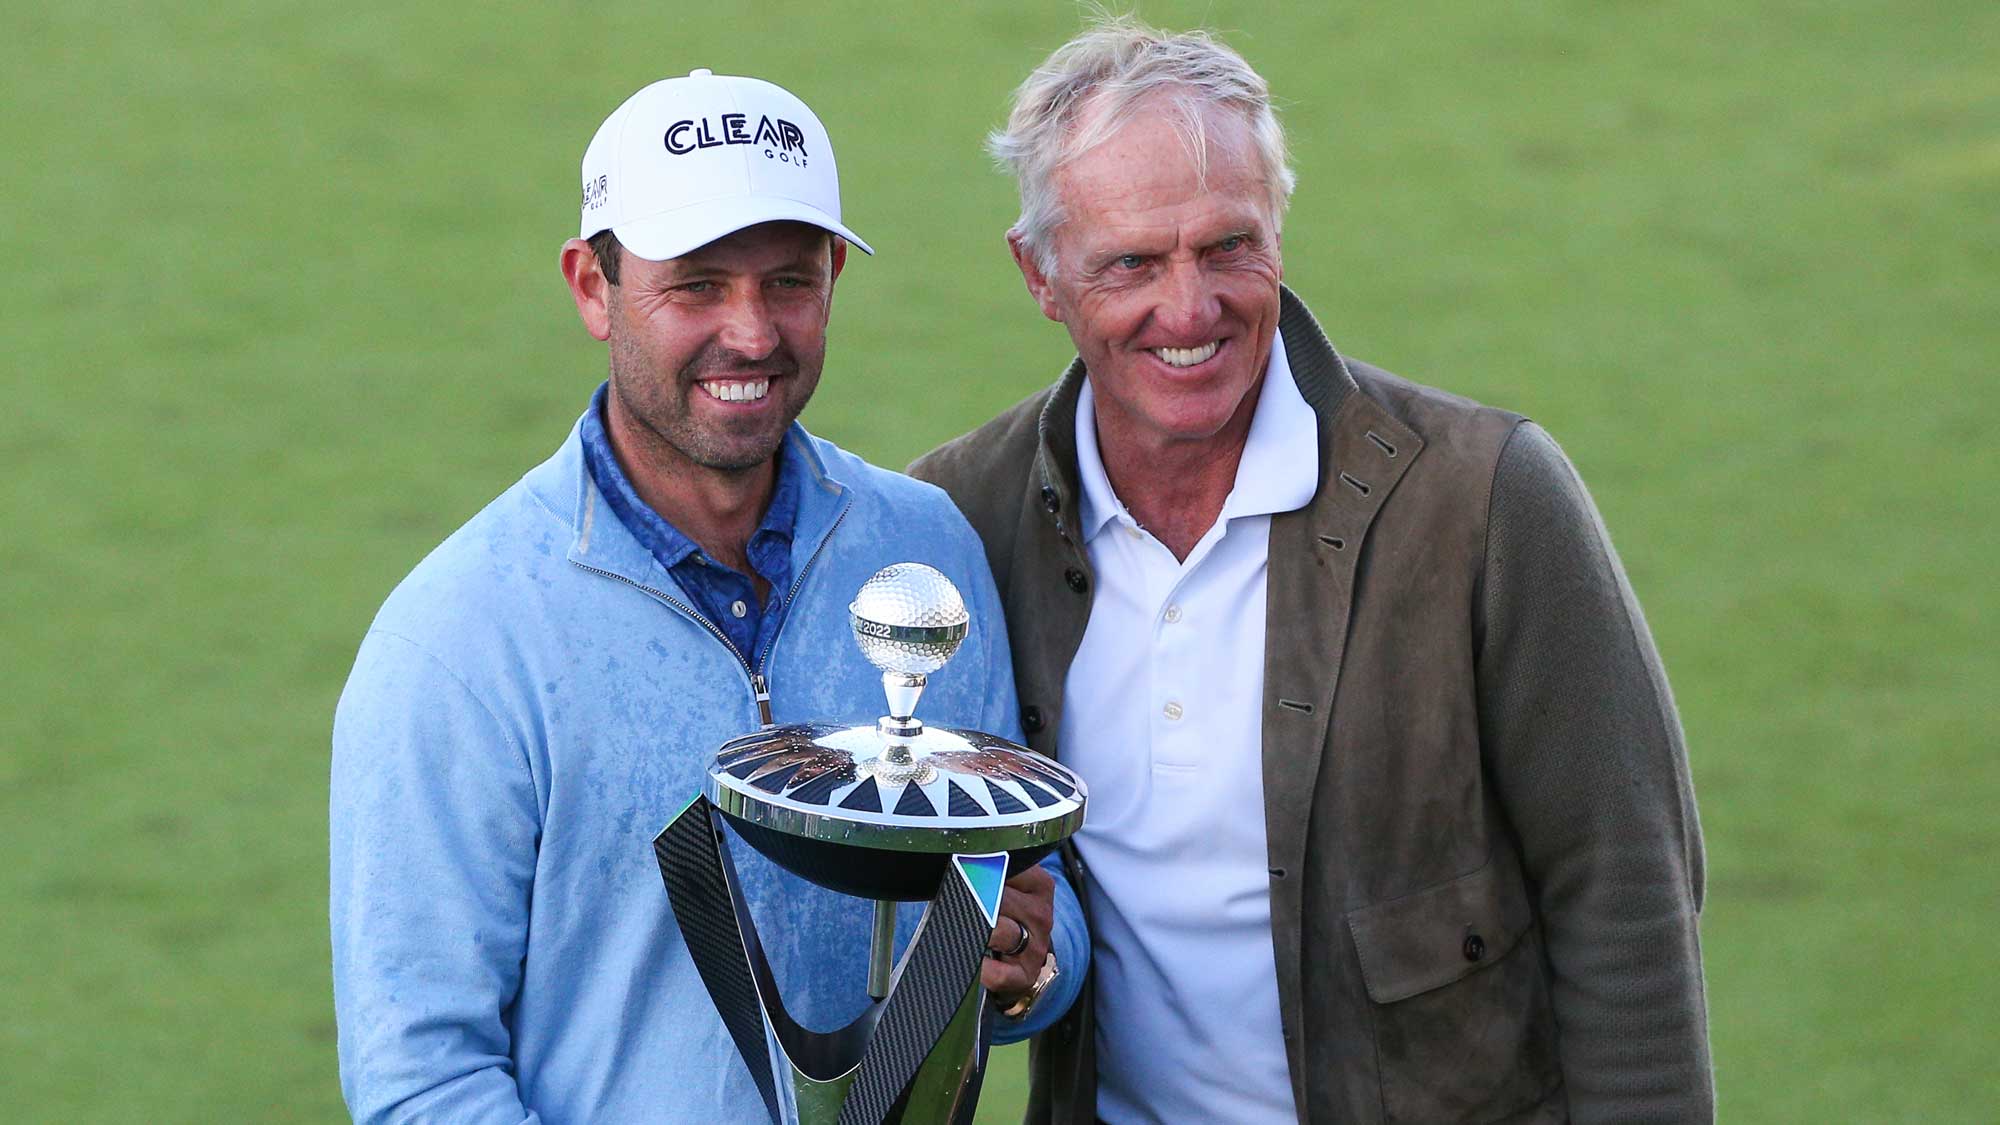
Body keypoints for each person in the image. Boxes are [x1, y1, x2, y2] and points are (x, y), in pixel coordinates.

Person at [912, 18, 1711, 1125]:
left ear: (1278, 229)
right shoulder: (963, 517)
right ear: (1039, 274)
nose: (1189, 309)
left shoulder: (1484, 499)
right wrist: (1012, 975)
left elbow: (1623, 892)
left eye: (1226, 246)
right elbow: (974, 932)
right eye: (1132, 263)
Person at [330, 70, 1083, 1123]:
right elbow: (421, 1081)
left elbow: (1023, 907)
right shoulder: (458, 636)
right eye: (696, 285)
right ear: (592, 289)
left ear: (832, 277)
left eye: (787, 281)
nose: (752, 333)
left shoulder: (923, 552)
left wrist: (1021, 969)